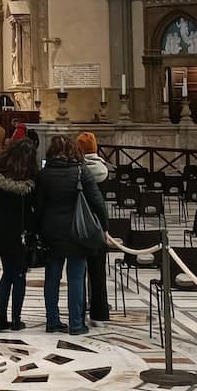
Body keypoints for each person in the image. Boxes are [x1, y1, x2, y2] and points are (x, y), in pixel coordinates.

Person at [35, 135, 107, 335]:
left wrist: (37, 230)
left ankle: (53, 321)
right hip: (78, 231)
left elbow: (38, 207)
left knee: (52, 278)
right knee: (76, 278)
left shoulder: (44, 174)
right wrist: (105, 227)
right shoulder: (81, 171)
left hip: (51, 231)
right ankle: (76, 323)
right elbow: (97, 202)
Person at [0, 138, 38, 332]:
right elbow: (34, 208)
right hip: (20, 232)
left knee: (6, 273)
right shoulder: (29, 182)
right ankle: (16, 319)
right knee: (19, 275)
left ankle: (0, 318)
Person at [76, 131, 113, 324]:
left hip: (80, 223)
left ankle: (79, 311)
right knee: (98, 271)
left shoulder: (78, 171)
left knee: (79, 271)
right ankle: (100, 311)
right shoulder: (105, 170)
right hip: (99, 225)